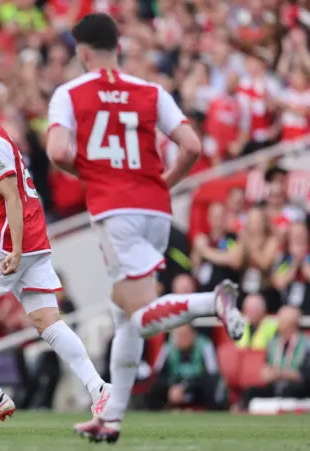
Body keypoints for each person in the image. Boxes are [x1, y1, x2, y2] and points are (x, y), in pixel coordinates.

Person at [45, 13, 246, 443]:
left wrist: (96, 174)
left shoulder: (70, 93)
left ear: (81, 52)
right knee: (125, 318)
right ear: (117, 47)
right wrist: (161, 184)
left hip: (116, 211)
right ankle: (111, 419)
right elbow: (191, 146)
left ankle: (213, 301)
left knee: (138, 311)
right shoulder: (151, 91)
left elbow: (57, 150)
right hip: (156, 209)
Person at [0, 73, 108, 432]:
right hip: (31, 235)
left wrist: (9, 247)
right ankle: (99, 389)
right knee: (47, 321)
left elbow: (13, 195)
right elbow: (9, 196)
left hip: (12, 240)